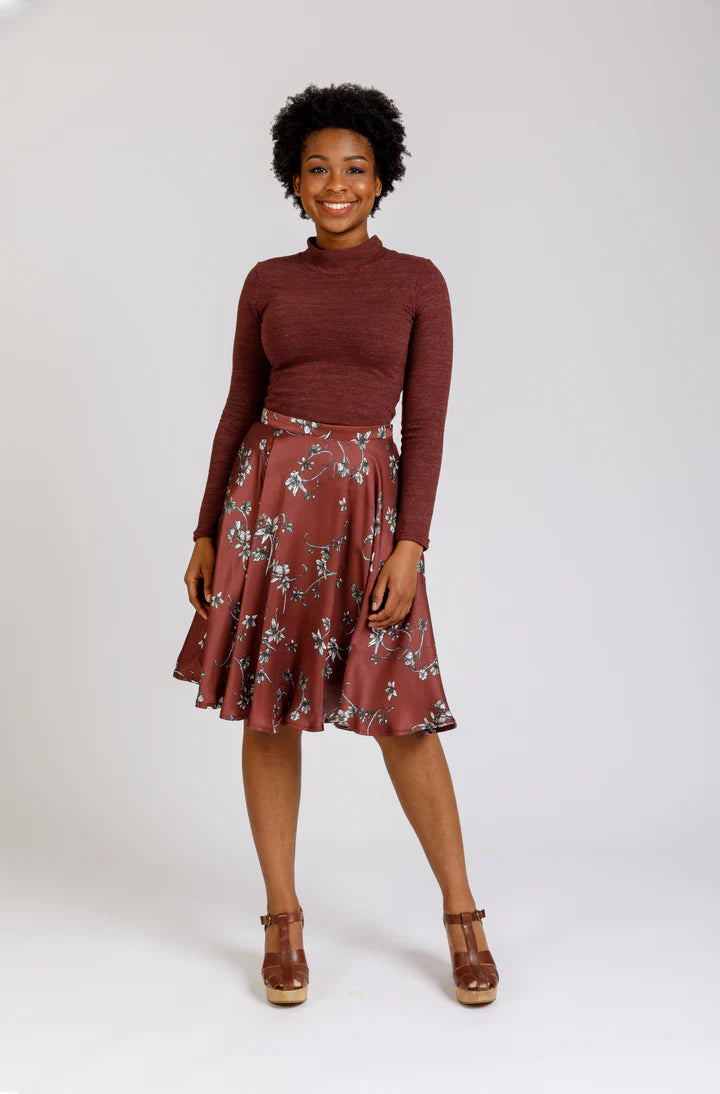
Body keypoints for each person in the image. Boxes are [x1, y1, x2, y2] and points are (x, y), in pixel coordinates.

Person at [172, 82, 499, 1007]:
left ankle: (464, 916)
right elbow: (238, 407)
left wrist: (412, 544)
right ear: (295, 180)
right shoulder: (267, 282)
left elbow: (424, 427)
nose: (336, 184)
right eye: (317, 169)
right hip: (267, 505)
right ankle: (282, 921)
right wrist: (206, 528)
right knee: (268, 713)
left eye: (355, 168)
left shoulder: (418, 282)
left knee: (405, 716)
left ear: (382, 178)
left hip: (368, 516)